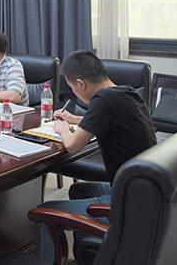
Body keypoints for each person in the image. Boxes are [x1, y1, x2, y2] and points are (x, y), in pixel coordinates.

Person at [35, 51, 157, 263]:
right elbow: (105, 118)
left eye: (72, 87)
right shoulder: (126, 92)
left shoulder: (103, 100)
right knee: (78, 190)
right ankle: (89, 252)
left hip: (127, 202)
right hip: (145, 193)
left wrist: (62, 127)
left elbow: (73, 145)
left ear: (80, 84)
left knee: (43, 213)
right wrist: (74, 118)